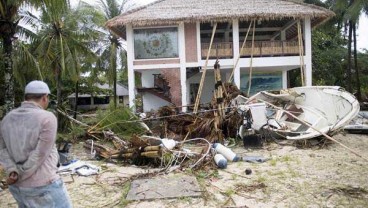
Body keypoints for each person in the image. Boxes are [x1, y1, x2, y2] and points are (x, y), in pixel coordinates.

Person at [0, 80, 72, 208]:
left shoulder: (7, 118)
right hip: (43, 186)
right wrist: (20, 173)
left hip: (17, 187)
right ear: (45, 98)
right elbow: (40, 154)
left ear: (26, 98)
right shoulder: (47, 118)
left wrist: (13, 171)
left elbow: (2, 150)